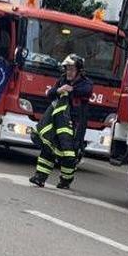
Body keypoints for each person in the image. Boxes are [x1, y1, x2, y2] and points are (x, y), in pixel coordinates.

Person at [29, 54, 93, 190]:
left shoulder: (86, 83)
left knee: (70, 153)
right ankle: (39, 177)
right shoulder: (62, 80)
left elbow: (86, 91)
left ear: (79, 71)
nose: (68, 72)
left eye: (71, 69)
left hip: (75, 123)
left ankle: (65, 180)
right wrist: (59, 90)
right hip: (57, 122)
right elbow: (50, 94)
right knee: (49, 147)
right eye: (67, 69)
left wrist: (71, 90)